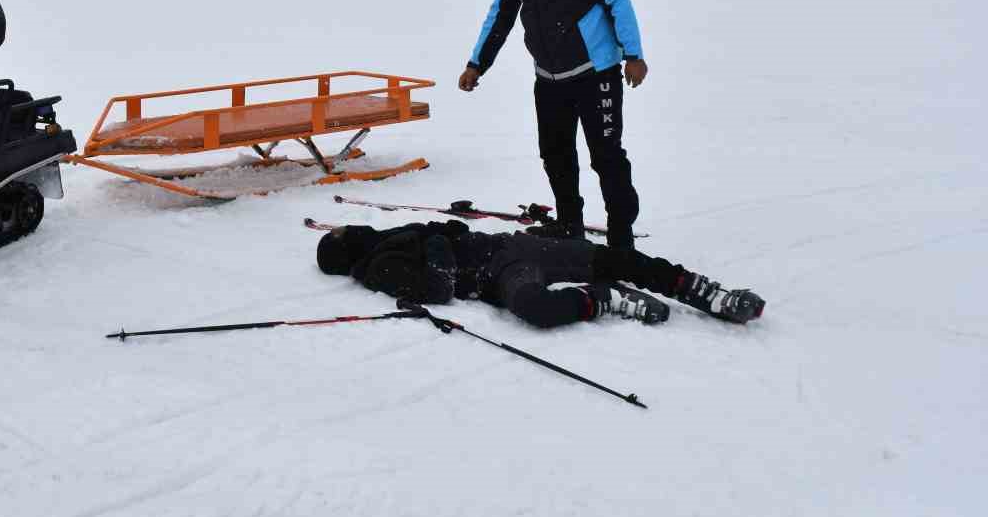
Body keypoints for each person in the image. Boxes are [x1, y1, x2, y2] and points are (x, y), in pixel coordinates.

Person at [459, 0, 646, 248]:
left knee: (607, 158)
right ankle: (569, 225)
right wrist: (477, 64)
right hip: (548, 79)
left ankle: (621, 238)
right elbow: (500, 16)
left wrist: (633, 54)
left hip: (596, 74)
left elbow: (618, 1)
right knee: (556, 155)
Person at [316, 220, 765, 328]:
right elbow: (440, 285)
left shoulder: (389, 236)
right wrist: (437, 243)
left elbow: (449, 232)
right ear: (345, 250)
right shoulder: (379, 268)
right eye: (341, 232)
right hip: (500, 273)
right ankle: (604, 299)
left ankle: (706, 293)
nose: (348, 226)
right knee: (535, 309)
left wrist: (441, 233)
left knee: (614, 256)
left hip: (510, 244)